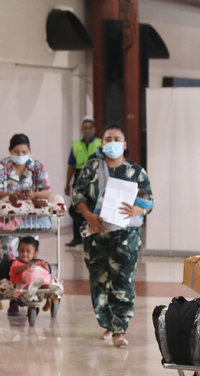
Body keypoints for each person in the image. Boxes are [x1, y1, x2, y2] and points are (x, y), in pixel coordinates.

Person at [73, 123, 154, 348]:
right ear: (102, 143)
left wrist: (139, 209)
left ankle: (120, 329)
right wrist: (88, 215)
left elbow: (149, 201)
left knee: (123, 281)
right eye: (107, 139)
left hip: (126, 237)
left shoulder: (135, 171)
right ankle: (107, 322)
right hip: (96, 235)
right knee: (99, 281)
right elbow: (77, 194)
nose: (112, 143)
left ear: (125, 144)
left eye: (116, 138)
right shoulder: (91, 168)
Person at [0, 133, 51, 316]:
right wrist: (10, 197)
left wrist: (34, 195)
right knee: (10, 260)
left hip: (30, 220)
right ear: (10, 151)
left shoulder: (37, 167)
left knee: (26, 257)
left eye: (24, 151)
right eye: (17, 151)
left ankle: (28, 294)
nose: (21, 154)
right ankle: (13, 299)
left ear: (29, 151)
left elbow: (46, 191)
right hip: (7, 220)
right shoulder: (1, 166)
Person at [64, 117, 102, 247]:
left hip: (95, 176)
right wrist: (67, 183)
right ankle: (77, 237)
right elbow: (71, 165)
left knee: (93, 206)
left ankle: (95, 233)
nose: (87, 130)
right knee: (77, 206)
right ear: (81, 129)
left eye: (89, 128)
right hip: (80, 176)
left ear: (94, 129)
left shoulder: (100, 143)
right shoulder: (76, 145)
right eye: (84, 128)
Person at [9, 236, 63, 309]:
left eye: (28, 252)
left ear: (35, 253)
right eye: (21, 251)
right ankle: (14, 303)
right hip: (22, 283)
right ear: (18, 251)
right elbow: (15, 270)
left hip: (37, 284)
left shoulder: (39, 262)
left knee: (44, 277)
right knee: (16, 294)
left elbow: (45, 272)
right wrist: (26, 266)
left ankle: (52, 289)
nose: (24, 254)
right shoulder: (17, 262)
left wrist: (45, 268)